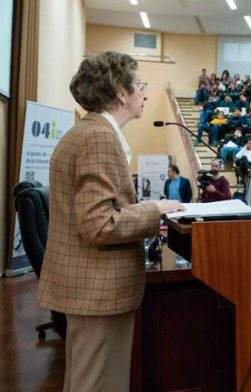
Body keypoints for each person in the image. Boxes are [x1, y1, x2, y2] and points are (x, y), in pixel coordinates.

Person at [37, 52, 184, 392]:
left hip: (87, 286)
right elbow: (99, 224)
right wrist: (156, 210)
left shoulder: (87, 131)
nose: (143, 94)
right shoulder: (100, 137)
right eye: (139, 86)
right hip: (97, 288)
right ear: (121, 92)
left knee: (86, 381)